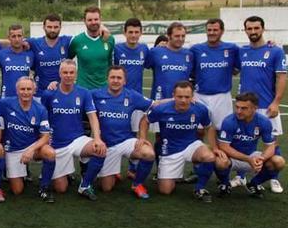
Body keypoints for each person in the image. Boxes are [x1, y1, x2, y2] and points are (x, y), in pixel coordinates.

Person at [137, 81, 221, 201]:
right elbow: (145, 120)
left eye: (187, 97)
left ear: (192, 97)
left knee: (209, 156)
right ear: (173, 96)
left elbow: (209, 127)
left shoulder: (200, 109)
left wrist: (215, 147)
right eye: (179, 96)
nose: (183, 100)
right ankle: (173, 174)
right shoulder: (162, 109)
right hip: (170, 150)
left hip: (191, 145)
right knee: (165, 191)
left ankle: (199, 188)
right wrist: (143, 138)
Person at [40, 60, 106, 200]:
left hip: (77, 139)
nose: (68, 75)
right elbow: (41, 117)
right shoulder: (49, 94)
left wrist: (97, 138)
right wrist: (44, 139)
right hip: (57, 143)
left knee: (100, 149)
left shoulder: (84, 93)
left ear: (76, 74)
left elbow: (93, 117)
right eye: (65, 72)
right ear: (59, 74)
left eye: (71, 72)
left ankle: (85, 185)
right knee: (61, 188)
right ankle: (63, 174)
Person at [90, 66, 156, 198]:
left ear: (125, 81)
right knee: (106, 188)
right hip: (106, 145)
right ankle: (112, 172)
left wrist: (175, 100)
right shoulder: (96, 94)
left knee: (148, 153)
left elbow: (154, 104)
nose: (115, 80)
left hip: (126, 141)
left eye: (119, 78)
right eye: (112, 77)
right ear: (107, 79)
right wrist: (54, 85)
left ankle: (137, 184)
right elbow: (75, 94)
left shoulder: (131, 95)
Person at [238, 15, 286, 193]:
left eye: (256, 28)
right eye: (249, 29)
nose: (253, 32)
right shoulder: (242, 51)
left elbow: (282, 77)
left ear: (263, 29)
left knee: (273, 143)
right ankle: (240, 176)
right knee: (242, 141)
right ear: (245, 31)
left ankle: (273, 178)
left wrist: (276, 102)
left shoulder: (275, 51)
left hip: (267, 105)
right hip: (244, 106)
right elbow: (233, 68)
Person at [215, 92, 286, 197]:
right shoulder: (229, 121)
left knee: (279, 162)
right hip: (232, 158)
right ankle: (225, 184)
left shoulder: (264, 122)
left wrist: (261, 158)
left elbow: (270, 146)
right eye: (237, 107)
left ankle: (254, 183)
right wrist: (248, 159)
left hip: (252, 156)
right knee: (219, 161)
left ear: (254, 108)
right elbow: (224, 147)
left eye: (244, 108)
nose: (238, 111)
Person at [0, 77, 57, 201]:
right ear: (17, 90)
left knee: (49, 152)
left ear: (34, 90)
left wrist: (31, 150)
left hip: (33, 149)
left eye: (29, 89)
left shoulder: (40, 109)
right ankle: (16, 172)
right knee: (17, 191)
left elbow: (45, 136)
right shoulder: (5, 104)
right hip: (13, 149)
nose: (26, 92)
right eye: (22, 89)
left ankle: (44, 188)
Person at [190, 18, 239, 131]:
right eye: (209, 30)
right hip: (199, 95)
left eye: (215, 30)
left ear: (222, 31)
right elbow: (189, 69)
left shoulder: (232, 49)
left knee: (222, 130)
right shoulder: (196, 49)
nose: (212, 33)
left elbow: (238, 67)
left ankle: (219, 149)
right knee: (198, 130)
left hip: (222, 96)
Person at [113, 18, 150, 132]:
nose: (133, 35)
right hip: (118, 97)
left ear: (141, 33)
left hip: (136, 97)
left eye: (136, 32)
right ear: (124, 33)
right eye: (130, 32)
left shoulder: (144, 49)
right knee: (117, 130)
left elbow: (149, 64)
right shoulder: (117, 49)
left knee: (134, 132)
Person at [68, 6, 116, 90]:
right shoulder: (77, 41)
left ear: (100, 19)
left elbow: (110, 63)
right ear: (84, 21)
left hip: (104, 90)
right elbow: (67, 59)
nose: (93, 22)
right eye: (90, 20)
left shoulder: (109, 39)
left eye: (96, 19)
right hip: (83, 90)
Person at [28, 14, 72, 95]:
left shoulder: (67, 41)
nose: (52, 30)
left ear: (60, 27)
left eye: (55, 27)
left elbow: (85, 38)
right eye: (49, 27)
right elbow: (15, 42)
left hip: (60, 93)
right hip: (39, 94)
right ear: (44, 27)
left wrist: (101, 28)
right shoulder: (34, 43)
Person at [0, 25, 35, 98]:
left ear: (23, 37)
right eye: (13, 36)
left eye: (19, 36)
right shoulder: (1, 54)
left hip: (24, 97)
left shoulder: (30, 54)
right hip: (7, 97)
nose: (17, 39)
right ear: (9, 38)